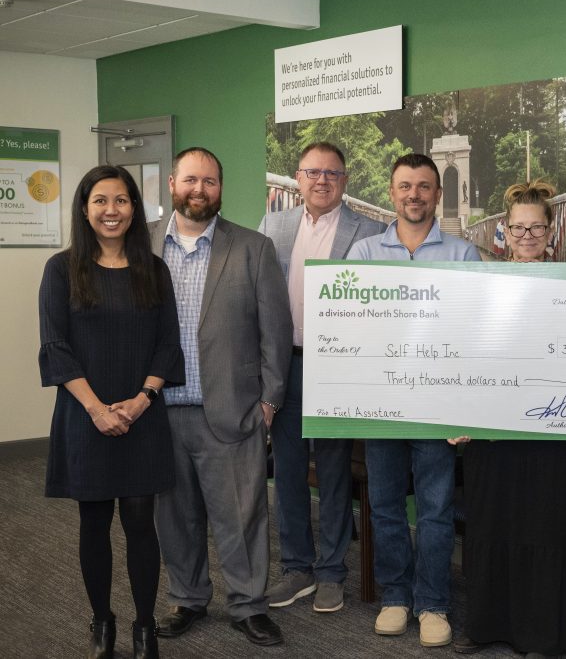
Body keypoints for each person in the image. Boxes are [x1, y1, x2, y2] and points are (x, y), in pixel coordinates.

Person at [38, 165, 184, 659]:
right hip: (85, 415)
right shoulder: (62, 269)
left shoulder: (153, 270)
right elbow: (56, 347)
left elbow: (168, 346)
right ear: (84, 208)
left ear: (133, 209)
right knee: (93, 523)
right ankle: (102, 622)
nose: (111, 211)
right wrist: (98, 409)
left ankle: (146, 627)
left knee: (142, 523)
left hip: (142, 414)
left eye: (121, 201)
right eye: (100, 200)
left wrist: (141, 401)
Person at [150, 147, 292, 647]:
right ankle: (187, 598)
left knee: (242, 515)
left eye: (210, 181)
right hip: (159, 412)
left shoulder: (252, 248)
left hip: (232, 411)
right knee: (174, 516)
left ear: (220, 189)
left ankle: (248, 606)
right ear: (172, 184)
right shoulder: (141, 247)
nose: (200, 190)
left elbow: (276, 332)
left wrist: (270, 401)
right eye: (191, 180)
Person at [452, 181, 566, 657]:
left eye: (536, 227)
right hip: (492, 432)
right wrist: (460, 413)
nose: (527, 235)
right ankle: (487, 626)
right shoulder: (480, 285)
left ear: (551, 231)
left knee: (544, 527)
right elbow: (465, 353)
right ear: (503, 232)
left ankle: (543, 635)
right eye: (518, 228)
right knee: (490, 524)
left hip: (552, 431)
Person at [348, 153, 481, 648]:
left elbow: (471, 333)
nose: (414, 195)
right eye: (405, 186)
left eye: (424, 187)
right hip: (382, 404)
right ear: (392, 191)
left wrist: (465, 405)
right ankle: (396, 597)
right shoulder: (363, 254)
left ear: (438, 194)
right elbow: (351, 330)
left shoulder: (463, 254)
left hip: (437, 408)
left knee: (435, 509)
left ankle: (433, 604)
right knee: (383, 506)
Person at [258, 142, 385, 613]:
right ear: (298, 178)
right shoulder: (273, 226)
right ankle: (297, 568)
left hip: (337, 366)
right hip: (284, 364)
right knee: (288, 470)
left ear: (345, 181)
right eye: (313, 172)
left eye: (332, 174)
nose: (322, 181)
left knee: (332, 471)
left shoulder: (370, 231)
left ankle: (332, 571)